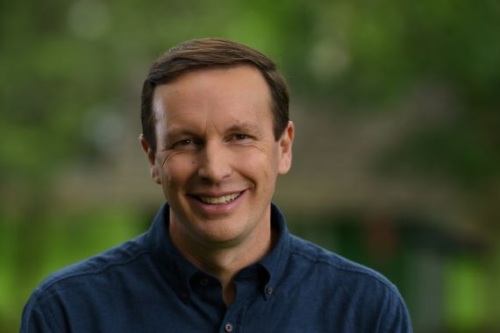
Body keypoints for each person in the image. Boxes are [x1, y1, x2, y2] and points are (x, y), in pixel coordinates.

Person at [20, 38, 412, 332]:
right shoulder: (67, 313)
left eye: (240, 136)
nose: (214, 168)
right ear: (152, 158)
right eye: (186, 142)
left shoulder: (366, 310)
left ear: (284, 147)